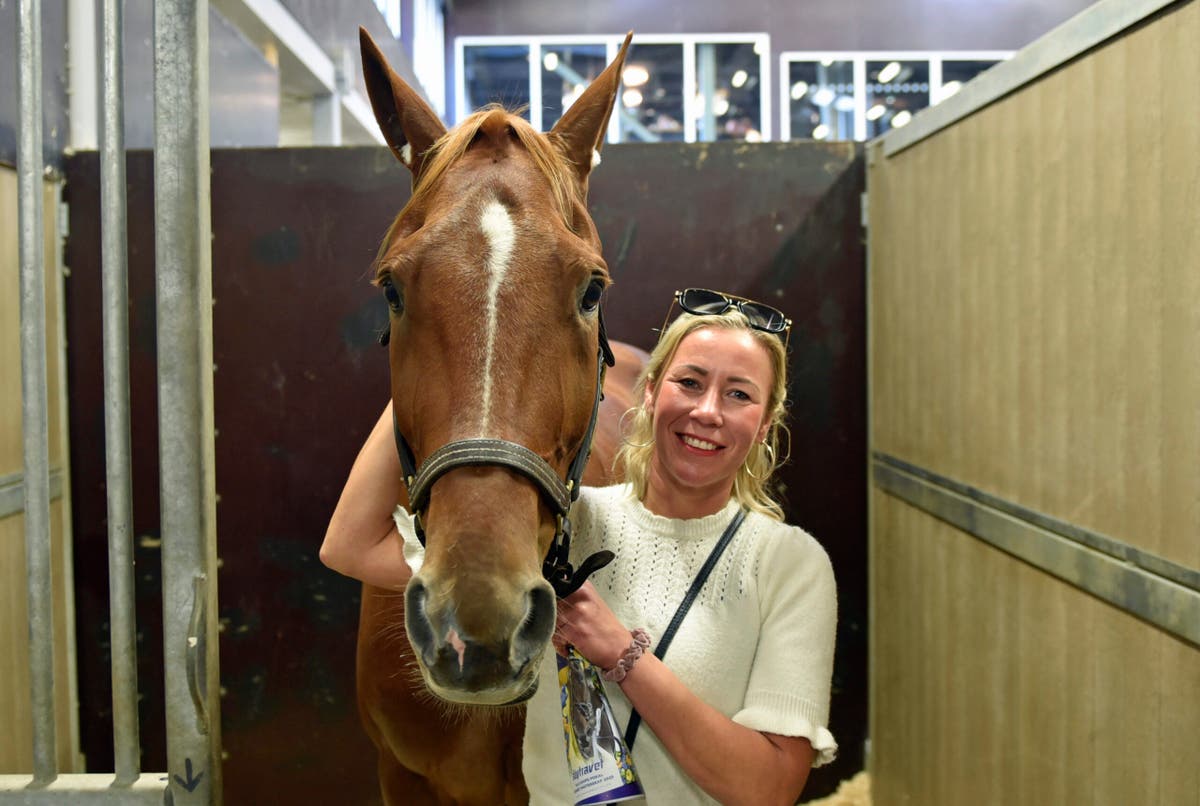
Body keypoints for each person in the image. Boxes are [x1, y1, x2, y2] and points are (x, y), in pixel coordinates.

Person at [321, 288, 838, 805]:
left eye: (739, 394)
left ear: (765, 423)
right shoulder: (573, 525)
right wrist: (447, 356)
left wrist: (622, 654)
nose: (707, 411)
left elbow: (768, 790)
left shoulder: (791, 565)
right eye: (690, 382)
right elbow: (349, 547)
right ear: (651, 392)